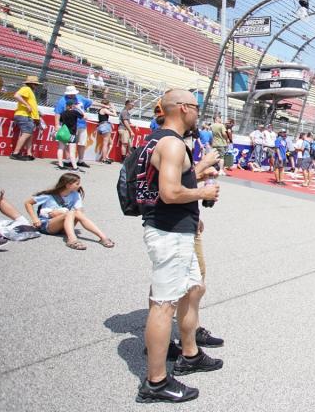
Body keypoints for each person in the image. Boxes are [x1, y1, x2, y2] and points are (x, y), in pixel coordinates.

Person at [136, 89, 222, 404]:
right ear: (183, 108)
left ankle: (189, 352)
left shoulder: (156, 139)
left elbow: (160, 188)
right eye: (196, 108)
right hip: (169, 231)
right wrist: (203, 193)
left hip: (172, 226)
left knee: (192, 287)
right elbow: (170, 192)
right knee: (163, 304)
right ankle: (155, 382)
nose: (198, 113)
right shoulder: (172, 143)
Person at [23, 173, 114, 249]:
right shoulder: (50, 195)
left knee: (77, 213)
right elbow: (28, 203)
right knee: (71, 213)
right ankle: (72, 240)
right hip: (47, 225)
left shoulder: (75, 195)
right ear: (68, 185)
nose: (79, 185)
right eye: (77, 183)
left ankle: (103, 237)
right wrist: (35, 219)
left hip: (63, 223)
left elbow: (79, 211)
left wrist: (76, 213)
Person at [54, 85, 93, 168]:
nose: (72, 95)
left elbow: (89, 102)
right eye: (70, 94)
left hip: (81, 124)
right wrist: (57, 125)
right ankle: (69, 160)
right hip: (70, 126)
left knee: (82, 143)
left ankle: (80, 160)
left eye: (73, 93)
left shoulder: (80, 97)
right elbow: (57, 113)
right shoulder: (62, 100)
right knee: (69, 143)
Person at [10, 75, 42, 161]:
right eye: (35, 84)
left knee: (29, 134)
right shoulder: (26, 89)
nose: (36, 86)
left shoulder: (29, 90)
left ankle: (29, 153)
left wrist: (37, 113)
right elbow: (16, 95)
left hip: (27, 115)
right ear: (31, 84)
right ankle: (15, 153)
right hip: (24, 115)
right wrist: (27, 105)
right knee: (27, 133)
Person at [56, 98, 83, 171]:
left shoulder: (63, 113)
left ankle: (60, 165)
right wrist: (79, 108)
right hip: (72, 134)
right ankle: (75, 167)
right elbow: (84, 116)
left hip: (64, 132)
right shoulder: (75, 112)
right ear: (73, 105)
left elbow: (61, 121)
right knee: (72, 151)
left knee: (60, 148)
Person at [97, 97, 115, 163]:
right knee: (105, 143)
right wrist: (113, 108)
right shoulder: (104, 109)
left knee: (110, 142)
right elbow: (114, 114)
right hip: (105, 126)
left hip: (101, 126)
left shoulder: (100, 110)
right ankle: (104, 159)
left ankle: (105, 156)